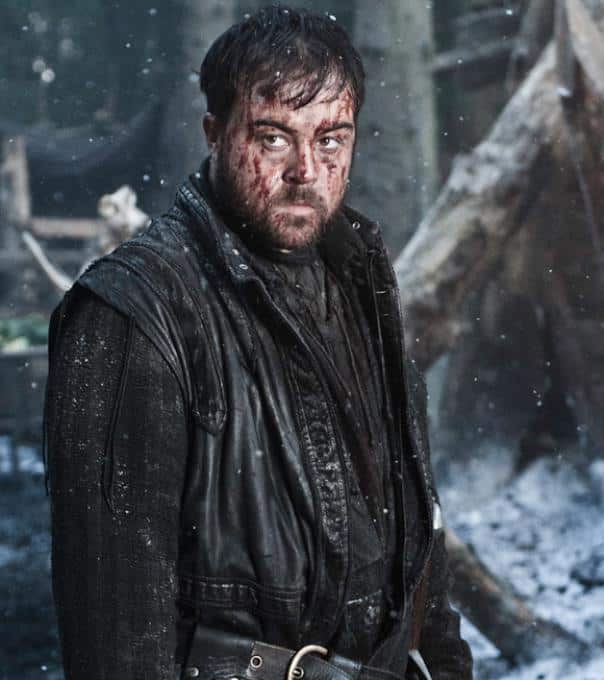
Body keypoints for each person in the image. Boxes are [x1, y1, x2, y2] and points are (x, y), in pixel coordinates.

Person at [43, 6, 473, 680]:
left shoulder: (361, 279)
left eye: (331, 139)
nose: (306, 169)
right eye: (273, 138)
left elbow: (418, 559)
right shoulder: (130, 315)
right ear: (214, 133)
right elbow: (116, 644)